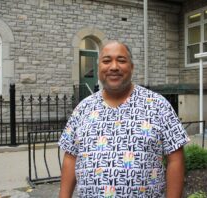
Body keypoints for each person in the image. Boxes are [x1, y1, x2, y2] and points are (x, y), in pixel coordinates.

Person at [58, 41, 190, 198]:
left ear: (132, 67)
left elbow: (175, 159)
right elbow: (71, 157)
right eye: (107, 61)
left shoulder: (158, 105)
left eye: (121, 60)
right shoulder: (82, 108)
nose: (114, 67)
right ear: (98, 67)